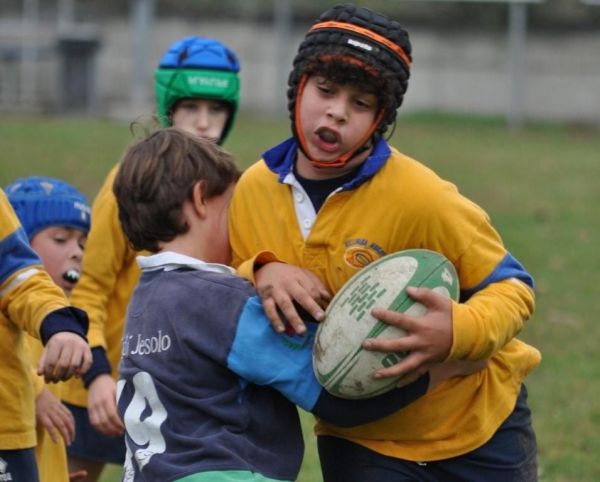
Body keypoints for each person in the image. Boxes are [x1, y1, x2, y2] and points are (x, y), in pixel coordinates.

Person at [228, 4, 542, 481]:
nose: (337, 111)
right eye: (326, 91)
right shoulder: (250, 191)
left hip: (477, 428)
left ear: (381, 118)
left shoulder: (422, 197)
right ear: (298, 88)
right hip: (360, 438)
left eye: (361, 103)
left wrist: (456, 330)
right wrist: (260, 269)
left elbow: (513, 287)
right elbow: (213, 285)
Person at [113, 127, 484, 482]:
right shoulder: (223, 302)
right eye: (233, 209)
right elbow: (336, 399)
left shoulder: (146, 301)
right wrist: (444, 367)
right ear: (199, 200)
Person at [62, 35, 241, 481]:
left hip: (166, 394)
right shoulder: (130, 183)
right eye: (190, 109)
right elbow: (89, 286)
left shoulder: (228, 191)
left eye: (216, 110)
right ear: (168, 108)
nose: (204, 123)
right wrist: (98, 377)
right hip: (96, 386)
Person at [0, 187, 92, 482]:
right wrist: (38, 393)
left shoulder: (56, 330)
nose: (77, 252)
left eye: (82, 243)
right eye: (61, 240)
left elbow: (18, 277)